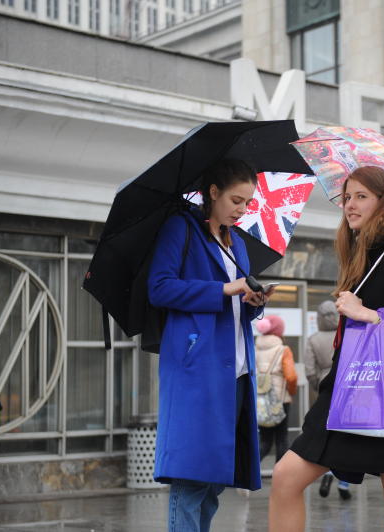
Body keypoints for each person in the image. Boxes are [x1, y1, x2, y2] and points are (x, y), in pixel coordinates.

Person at [269, 166, 384, 532]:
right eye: (346, 197)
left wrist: (366, 313)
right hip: (355, 395)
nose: (350, 205)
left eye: (361, 197)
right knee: (286, 477)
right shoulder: (369, 254)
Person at [147, 158, 275, 532]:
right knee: (191, 476)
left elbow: (238, 309)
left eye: (248, 203)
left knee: (216, 477)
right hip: (195, 369)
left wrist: (254, 303)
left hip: (236, 370)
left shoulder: (238, 245)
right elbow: (160, 287)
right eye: (237, 200)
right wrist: (224, 289)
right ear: (214, 192)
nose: (242, 209)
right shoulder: (180, 229)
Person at [303, 301, 351, 501]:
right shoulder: (347, 334)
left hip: (325, 386)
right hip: (348, 386)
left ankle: (327, 472)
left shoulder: (313, 339)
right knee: (347, 435)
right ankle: (343, 481)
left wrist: (317, 386)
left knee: (328, 435)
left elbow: (310, 370)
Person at [254, 315, 297, 463]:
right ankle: (281, 478)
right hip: (280, 400)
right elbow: (291, 376)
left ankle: (247, 475)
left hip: (260, 401)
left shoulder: (254, 348)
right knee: (281, 439)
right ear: (279, 331)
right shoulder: (283, 350)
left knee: (264, 440)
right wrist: (291, 392)